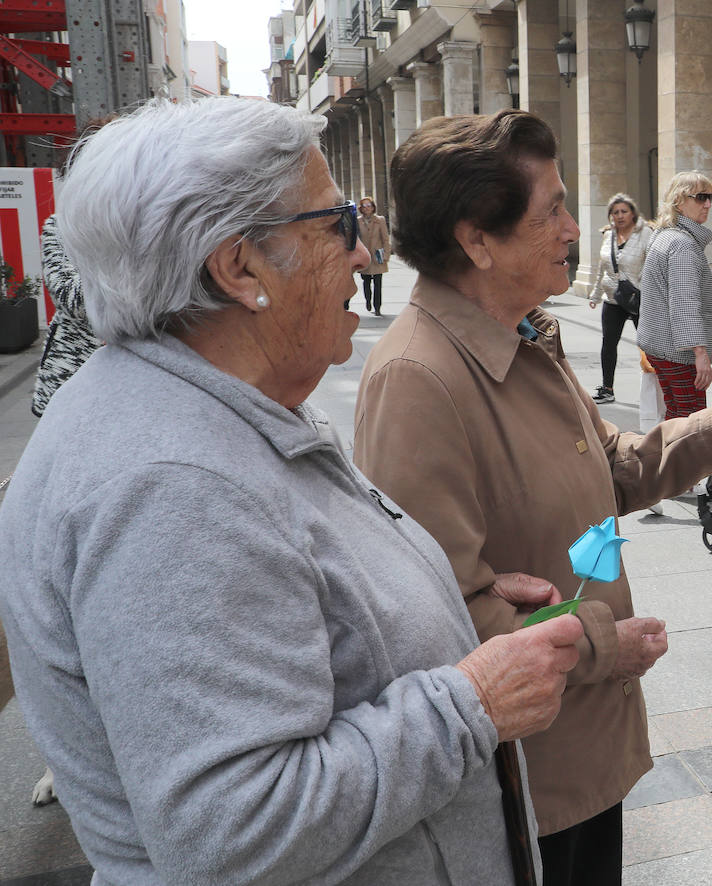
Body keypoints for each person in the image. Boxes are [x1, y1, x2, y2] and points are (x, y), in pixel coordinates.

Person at [0, 97, 586, 885]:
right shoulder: (171, 488)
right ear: (240, 267)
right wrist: (472, 702)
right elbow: (237, 830)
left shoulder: (211, 405)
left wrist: (434, 599)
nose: (363, 255)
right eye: (338, 224)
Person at [352, 110, 712, 886]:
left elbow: (610, 466)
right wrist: (601, 643)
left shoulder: (523, 334)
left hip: (581, 751)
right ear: (476, 239)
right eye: (550, 208)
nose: (574, 226)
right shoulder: (418, 380)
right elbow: (433, 615)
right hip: (524, 784)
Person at [637, 171, 712, 419]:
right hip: (677, 350)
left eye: (710, 197)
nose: (708, 204)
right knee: (691, 420)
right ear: (680, 201)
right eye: (701, 197)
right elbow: (684, 302)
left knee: (676, 414)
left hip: (660, 345)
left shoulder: (664, 235)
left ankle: (667, 456)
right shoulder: (682, 244)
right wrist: (700, 353)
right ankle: (675, 458)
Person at [30, 215, 101, 417]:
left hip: (138, 379)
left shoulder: (150, 222)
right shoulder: (63, 225)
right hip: (73, 372)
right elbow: (69, 298)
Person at [588, 193, 652, 405]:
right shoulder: (609, 235)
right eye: (615, 212)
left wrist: (646, 293)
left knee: (648, 345)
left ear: (633, 213)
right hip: (613, 298)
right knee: (608, 343)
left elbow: (651, 268)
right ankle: (607, 389)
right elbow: (602, 267)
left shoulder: (646, 234)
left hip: (637, 298)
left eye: (624, 211)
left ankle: (658, 388)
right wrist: (596, 294)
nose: (620, 216)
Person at [357, 195, 390, 315]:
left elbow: (386, 239)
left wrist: (386, 255)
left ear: (373, 207)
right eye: (364, 206)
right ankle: (368, 300)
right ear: (361, 208)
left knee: (378, 283)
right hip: (365, 256)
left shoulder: (380, 220)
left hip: (378, 255)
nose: (366, 208)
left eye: (369, 205)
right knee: (366, 282)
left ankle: (377, 307)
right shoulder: (358, 221)